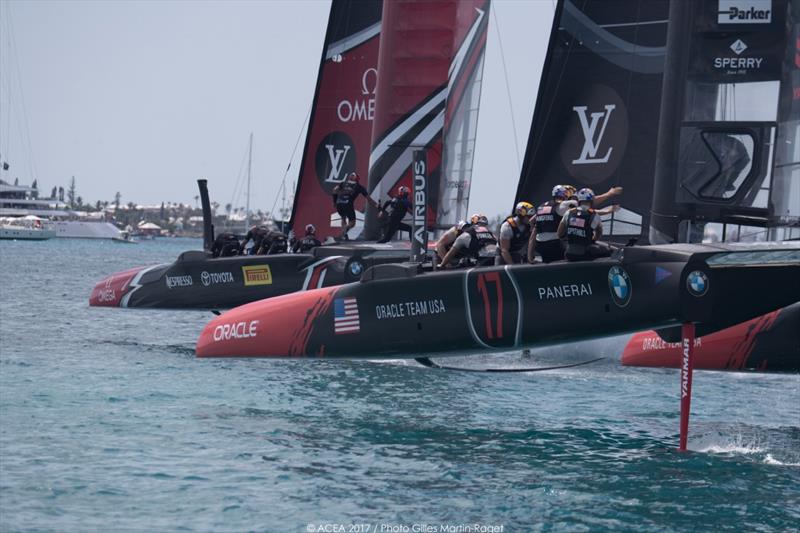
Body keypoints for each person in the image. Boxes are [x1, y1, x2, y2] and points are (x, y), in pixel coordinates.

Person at [557, 187, 614, 261]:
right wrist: (593, 239)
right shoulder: (594, 215)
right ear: (591, 201)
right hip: (584, 253)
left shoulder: (568, 212)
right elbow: (599, 233)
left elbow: (560, 234)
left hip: (569, 253)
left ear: (579, 200)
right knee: (609, 251)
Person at [332, 172, 379, 240]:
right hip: (348, 204)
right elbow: (369, 199)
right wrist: (377, 205)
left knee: (343, 217)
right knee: (352, 223)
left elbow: (334, 190)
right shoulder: (359, 187)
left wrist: (334, 201)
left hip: (339, 203)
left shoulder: (343, 183)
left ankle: (343, 234)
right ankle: (343, 232)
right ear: (357, 179)